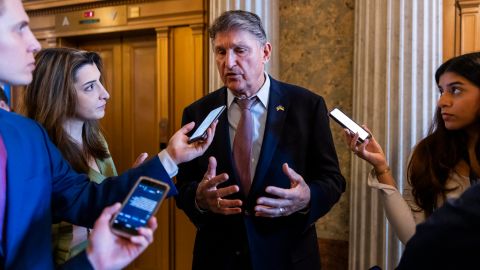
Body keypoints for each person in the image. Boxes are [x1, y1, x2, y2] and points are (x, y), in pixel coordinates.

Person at [0, 0, 216, 268]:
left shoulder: (29, 136)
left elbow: (89, 200)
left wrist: (170, 158)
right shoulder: (39, 134)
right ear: (60, 96)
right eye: (20, 28)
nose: (33, 44)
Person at [176, 10, 345, 270]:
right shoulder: (197, 113)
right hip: (218, 259)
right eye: (220, 52)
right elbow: (184, 186)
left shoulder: (306, 106)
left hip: (287, 258)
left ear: (265, 52)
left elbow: (332, 180)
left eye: (239, 50)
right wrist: (199, 199)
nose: (228, 62)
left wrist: (307, 197)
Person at [22, 47, 150, 264]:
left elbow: (106, 206)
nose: (105, 93)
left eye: (99, 81)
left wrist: (130, 185)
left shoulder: (97, 139)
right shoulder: (38, 152)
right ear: (58, 95)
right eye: (90, 87)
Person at [345, 52, 480, 245]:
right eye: (442, 91)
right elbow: (413, 237)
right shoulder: (430, 153)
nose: (442, 102)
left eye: (456, 90)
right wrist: (381, 167)